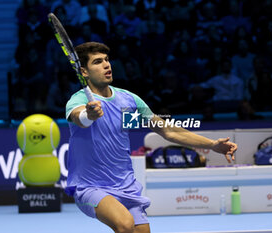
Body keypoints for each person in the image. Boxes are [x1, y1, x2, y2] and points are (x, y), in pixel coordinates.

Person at [65, 42, 237, 233]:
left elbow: (167, 130)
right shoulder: (79, 100)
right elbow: (79, 118)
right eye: (97, 62)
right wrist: (89, 115)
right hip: (90, 186)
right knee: (125, 224)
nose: (106, 65)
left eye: (107, 60)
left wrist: (212, 144)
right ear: (84, 72)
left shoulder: (128, 101)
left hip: (126, 185)